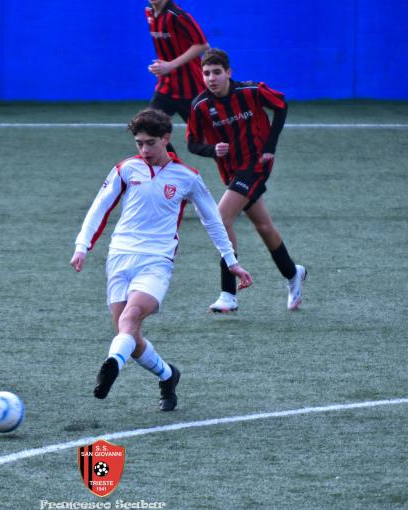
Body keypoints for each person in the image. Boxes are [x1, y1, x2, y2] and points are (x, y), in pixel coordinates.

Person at [70, 109, 252, 411]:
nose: (144, 150)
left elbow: (213, 220)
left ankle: (111, 364)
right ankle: (168, 375)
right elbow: (99, 207)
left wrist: (231, 261)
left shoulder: (188, 177)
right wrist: (82, 246)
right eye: (139, 143)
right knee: (129, 336)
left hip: (156, 261)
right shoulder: (126, 169)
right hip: (119, 257)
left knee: (129, 319)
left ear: (166, 139)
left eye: (150, 143)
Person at [186, 48, 307, 313]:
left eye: (216, 72)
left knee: (220, 218)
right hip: (232, 172)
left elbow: (281, 105)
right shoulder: (200, 106)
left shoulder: (251, 91)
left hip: (256, 165)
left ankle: (228, 294)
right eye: (206, 73)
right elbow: (192, 143)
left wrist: (270, 146)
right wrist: (212, 149)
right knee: (263, 226)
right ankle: (292, 273)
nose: (211, 78)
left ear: (228, 72)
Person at [145, 0, 209, 123]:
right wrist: (159, 67)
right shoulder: (149, 12)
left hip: (191, 88)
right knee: (148, 126)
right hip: (166, 86)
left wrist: (170, 65)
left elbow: (202, 45)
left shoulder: (177, 15)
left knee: (203, 133)